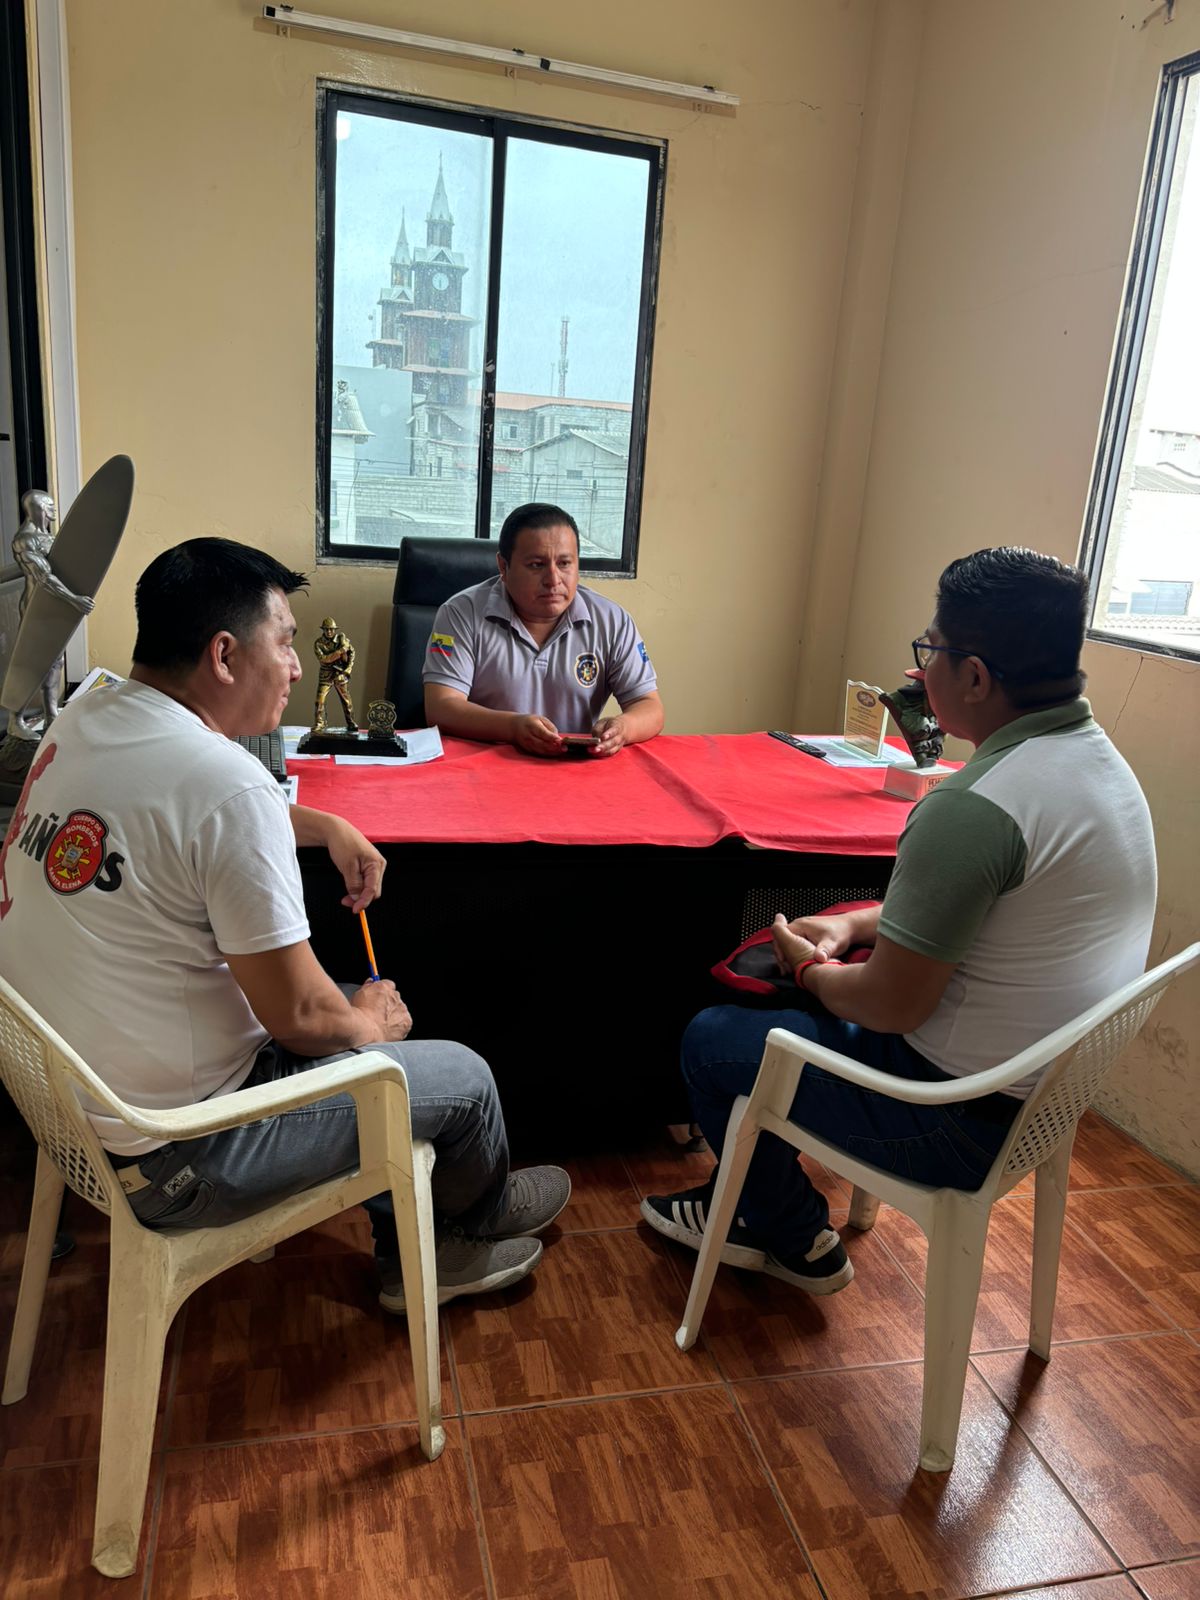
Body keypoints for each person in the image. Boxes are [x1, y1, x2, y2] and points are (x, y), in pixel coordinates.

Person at [0, 537, 569, 1311]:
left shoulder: (88, 711)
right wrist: (368, 1027)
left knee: (340, 1008)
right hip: (179, 1158)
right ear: (224, 655)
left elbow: (177, 815)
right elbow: (300, 1018)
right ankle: (459, 1234)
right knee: (458, 1078)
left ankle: (427, 1225)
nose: (299, 667)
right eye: (287, 643)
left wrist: (318, 822)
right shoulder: (227, 784)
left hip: (75, 1116)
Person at [642, 547, 1156, 1296]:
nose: (920, 669)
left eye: (932, 649)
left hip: (949, 1120)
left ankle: (788, 1233)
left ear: (974, 676)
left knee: (715, 1039)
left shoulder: (972, 808)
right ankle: (757, 1198)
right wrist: (855, 928)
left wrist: (809, 970)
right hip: (1041, 1106)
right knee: (805, 996)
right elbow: (990, 906)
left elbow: (889, 1005)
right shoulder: (1100, 767)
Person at [422, 502, 664, 757]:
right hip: (485, 765)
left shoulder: (612, 621)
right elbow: (441, 707)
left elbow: (649, 706)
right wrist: (512, 728)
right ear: (503, 566)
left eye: (564, 563)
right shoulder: (462, 613)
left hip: (572, 767)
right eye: (537, 565)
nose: (553, 579)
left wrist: (624, 728)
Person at [11, 488, 95, 732]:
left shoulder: (50, 537)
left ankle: (51, 715)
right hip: (36, 608)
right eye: (49, 506)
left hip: (56, 606)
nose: (54, 510)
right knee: (31, 662)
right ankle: (16, 721)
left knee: (56, 662)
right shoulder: (24, 540)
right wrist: (74, 599)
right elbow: (44, 578)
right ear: (36, 509)